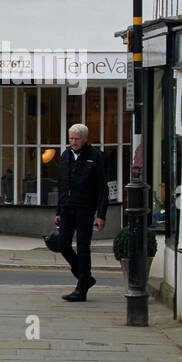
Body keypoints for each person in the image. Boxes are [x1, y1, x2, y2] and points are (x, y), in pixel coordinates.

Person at [53, 123, 108, 301]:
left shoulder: (95, 156)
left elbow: (102, 188)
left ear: (85, 139)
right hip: (67, 208)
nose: (73, 142)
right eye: (71, 139)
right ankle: (85, 278)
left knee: (83, 246)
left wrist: (101, 214)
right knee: (62, 245)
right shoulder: (65, 155)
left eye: (77, 139)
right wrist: (59, 211)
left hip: (86, 208)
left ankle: (81, 289)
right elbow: (61, 185)